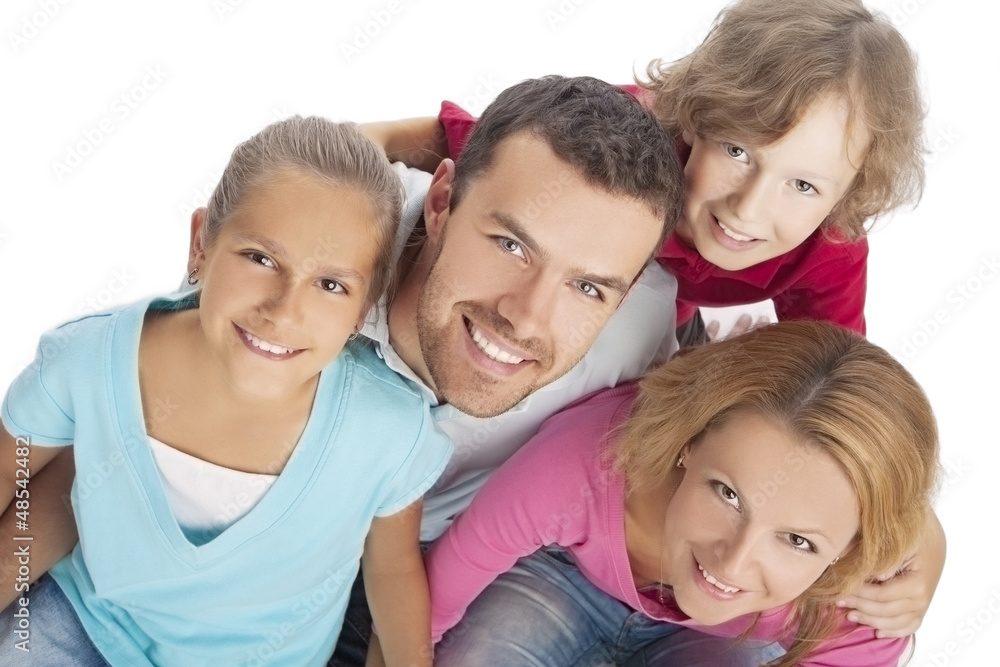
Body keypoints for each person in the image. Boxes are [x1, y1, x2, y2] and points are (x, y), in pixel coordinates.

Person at [0, 75, 689, 666]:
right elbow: (116, 437)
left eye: (589, 287)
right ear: (442, 203)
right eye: (510, 244)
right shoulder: (321, 247)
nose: (527, 316)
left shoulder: (639, 332)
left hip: (382, 587)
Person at [0, 117, 453, 666]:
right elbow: (12, 466)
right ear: (201, 244)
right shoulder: (88, 359)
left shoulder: (386, 427)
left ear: (363, 310)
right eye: (261, 258)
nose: (284, 310)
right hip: (90, 625)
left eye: (331, 285)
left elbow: (391, 571)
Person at [368, 0, 925, 343]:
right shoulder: (631, 135)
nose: (748, 208)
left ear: (846, 197)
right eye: (736, 152)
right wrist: (362, 142)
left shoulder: (832, 249)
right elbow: (487, 145)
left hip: (663, 328)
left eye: (802, 186)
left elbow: (835, 364)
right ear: (697, 119)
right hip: (567, 294)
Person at [426, 321, 940, 667]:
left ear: (848, 550)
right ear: (690, 444)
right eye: (729, 495)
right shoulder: (589, 458)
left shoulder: (855, 607)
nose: (734, 563)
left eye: (797, 541)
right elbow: (429, 608)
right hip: (564, 577)